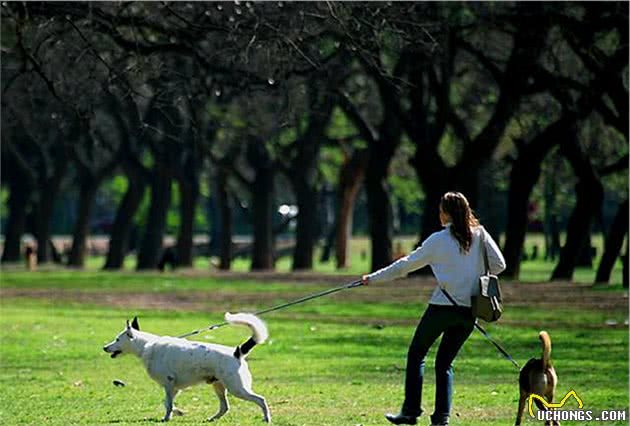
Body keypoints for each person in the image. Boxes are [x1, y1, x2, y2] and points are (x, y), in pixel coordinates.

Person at [362, 192, 506, 426]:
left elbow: (404, 266)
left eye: (441, 210)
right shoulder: (480, 235)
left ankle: (410, 412)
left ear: (447, 213)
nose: (438, 214)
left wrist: (372, 278)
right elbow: (500, 265)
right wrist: (474, 277)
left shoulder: (438, 240)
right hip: (469, 311)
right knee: (445, 364)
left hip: (441, 308)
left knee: (417, 354)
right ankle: (441, 419)